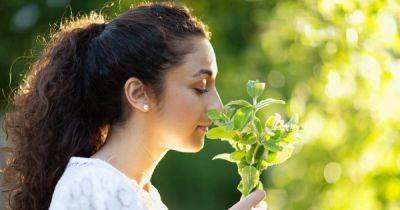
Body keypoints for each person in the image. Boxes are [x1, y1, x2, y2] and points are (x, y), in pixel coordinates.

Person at [1, 1, 267, 210]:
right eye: (200, 87)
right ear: (139, 93)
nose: (218, 108)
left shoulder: (145, 197)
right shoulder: (91, 186)